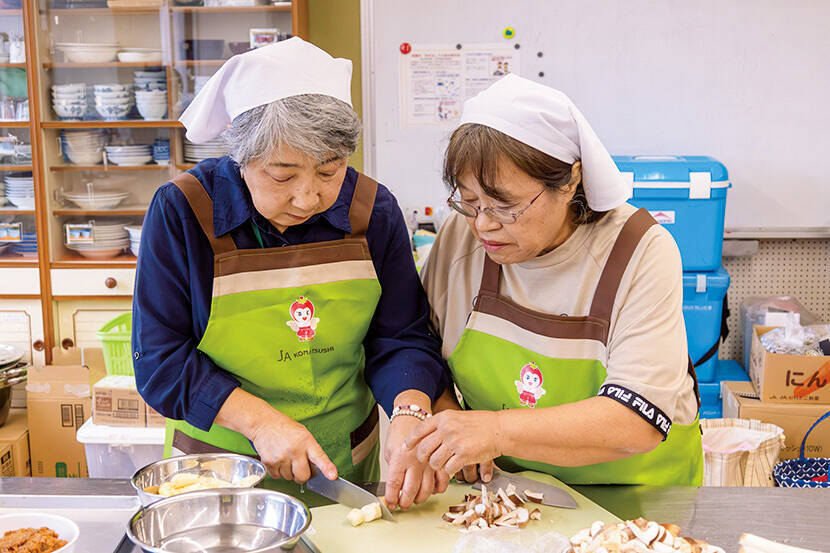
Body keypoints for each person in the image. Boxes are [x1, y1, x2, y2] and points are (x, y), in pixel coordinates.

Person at [132, 38, 448, 508]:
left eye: (329, 172)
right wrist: (261, 422)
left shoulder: (372, 211)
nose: (308, 197)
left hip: (341, 465)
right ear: (242, 157)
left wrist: (409, 411)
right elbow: (160, 361)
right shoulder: (184, 211)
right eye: (283, 176)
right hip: (218, 472)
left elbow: (401, 335)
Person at [409, 74, 703, 486]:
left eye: (505, 205)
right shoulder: (462, 237)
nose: (483, 224)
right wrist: (444, 414)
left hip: (639, 498)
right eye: (469, 201)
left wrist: (494, 432)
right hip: (510, 497)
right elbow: (419, 346)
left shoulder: (639, 250)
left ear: (569, 182)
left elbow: (636, 422)